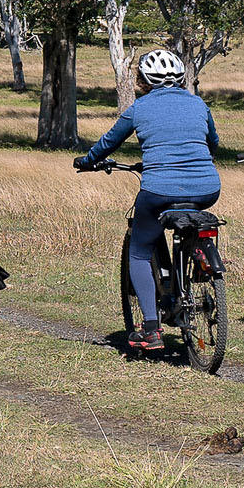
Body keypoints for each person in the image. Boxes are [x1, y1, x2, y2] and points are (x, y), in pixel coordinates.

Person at [73, 48, 221, 351]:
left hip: (158, 189)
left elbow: (108, 142)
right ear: (181, 77)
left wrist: (87, 161)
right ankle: (194, 257)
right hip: (208, 188)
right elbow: (213, 143)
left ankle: (151, 329)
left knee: (139, 253)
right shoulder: (198, 103)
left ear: (142, 79)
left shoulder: (139, 108)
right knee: (186, 221)